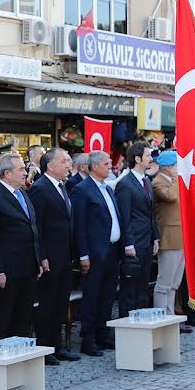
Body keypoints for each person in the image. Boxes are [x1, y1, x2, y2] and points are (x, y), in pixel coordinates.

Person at [0, 153, 43, 340]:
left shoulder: (23, 193)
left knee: (24, 316)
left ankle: (20, 361)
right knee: (5, 316)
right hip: (8, 269)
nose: (26, 172)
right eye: (21, 169)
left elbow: (33, 228)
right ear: (7, 173)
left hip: (29, 266)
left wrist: (38, 259)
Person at [29, 148, 79, 362]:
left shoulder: (62, 186)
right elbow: (36, 226)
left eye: (69, 161)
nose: (68, 165)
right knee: (47, 303)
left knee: (60, 302)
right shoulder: (40, 188)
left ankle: (58, 346)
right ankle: (45, 347)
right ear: (50, 165)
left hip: (64, 255)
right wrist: (42, 256)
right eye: (64, 161)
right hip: (50, 256)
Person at [71, 151, 122, 356]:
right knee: (92, 296)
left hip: (112, 250)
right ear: (93, 167)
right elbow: (79, 226)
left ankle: (103, 333)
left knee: (108, 295)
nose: (110, 166)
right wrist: (83, 254)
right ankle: (88, 338)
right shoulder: (81, 190)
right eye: (106, 163)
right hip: (94, 253)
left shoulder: (107, 189)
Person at [114, 142, 160, 317]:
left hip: (147, 241)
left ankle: (141, 325)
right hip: (133, 243)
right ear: (137, 158)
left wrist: (155, 238)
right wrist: (128, 243)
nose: (151, 158)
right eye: (148, 155)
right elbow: (124, 217)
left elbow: (151, 213)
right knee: (130, 289)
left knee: (142, 287)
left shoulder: (147, 181)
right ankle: (127, 325)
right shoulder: (125, 184)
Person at [151, 151, 192, 329]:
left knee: (174, 283)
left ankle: (170, 316)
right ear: (168, 167)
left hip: (181, 237)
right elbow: (171, 197)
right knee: (164, 282)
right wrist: (176, 178)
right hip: (168, 238)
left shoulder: (173, 181)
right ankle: (161, 317)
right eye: (176, 165)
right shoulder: (158, 182)